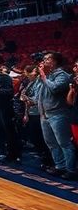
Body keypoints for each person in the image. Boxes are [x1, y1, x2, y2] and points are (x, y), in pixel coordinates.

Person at [37, 52, 76, 180]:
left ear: (54, 62)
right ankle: (60, 166)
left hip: (59, 113)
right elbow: (41, 95)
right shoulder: (47, 76)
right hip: (46, 114)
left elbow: (54, 88)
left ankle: (71, 170)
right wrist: (41, 113)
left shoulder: (62, 76)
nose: (44, 60)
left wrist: (43, 77)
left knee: (64, 143)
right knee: (51, 143)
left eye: (47, 58)